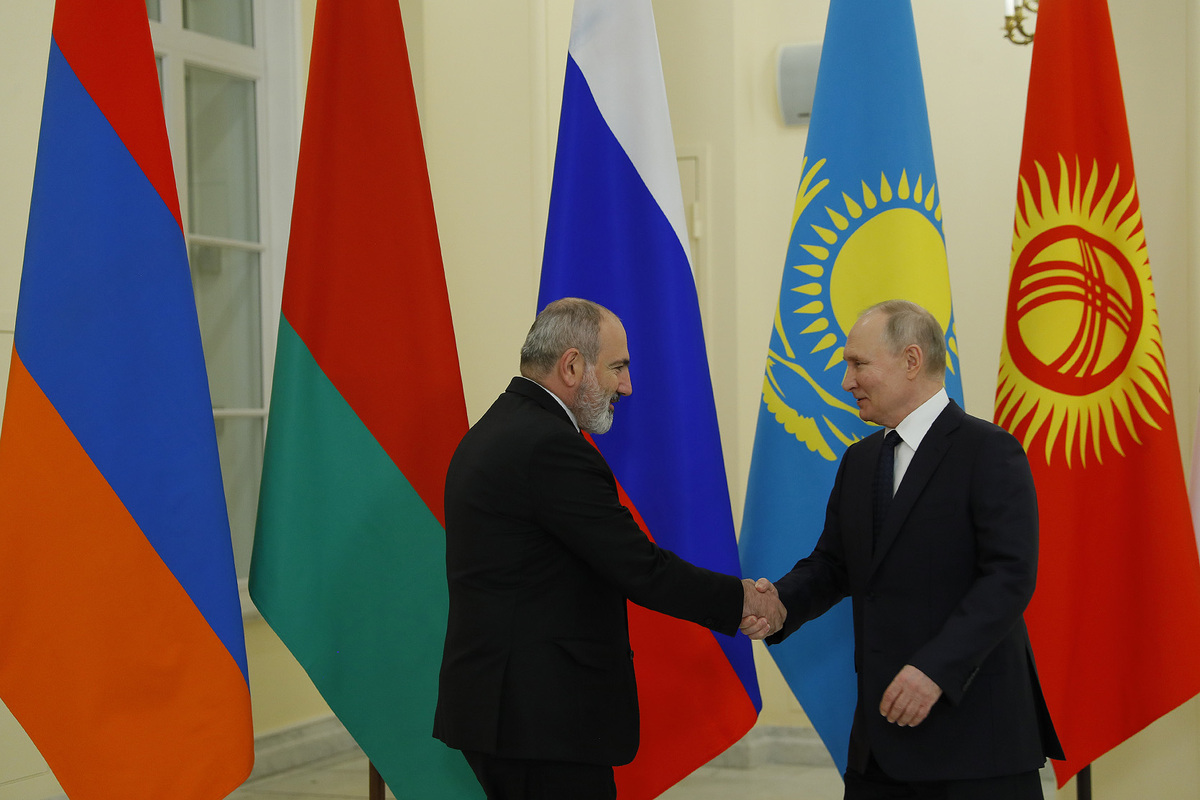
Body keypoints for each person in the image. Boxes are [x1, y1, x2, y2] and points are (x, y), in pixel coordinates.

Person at [434, 297, 783, 800]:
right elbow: (640, 568)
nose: (627, 385)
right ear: (573, 366)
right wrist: (742, 599)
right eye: (618, 367)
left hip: (508, 711)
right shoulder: (549, 446)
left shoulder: (498, 428)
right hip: (540, 722)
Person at [761, 299, 1062, 799]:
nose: (846, 381)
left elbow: (1008, 577)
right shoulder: (859, 461)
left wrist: (935, 669)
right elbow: (834, 564)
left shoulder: (989, 451)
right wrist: (779, 603)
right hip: (879, 747)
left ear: (911, 360)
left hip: (974, 746)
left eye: (858, 364)